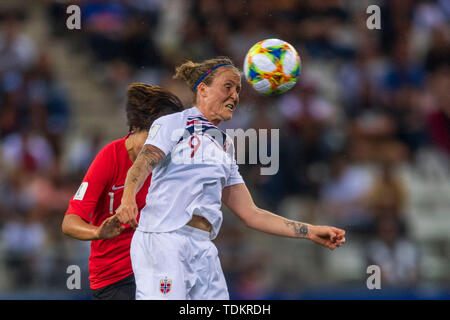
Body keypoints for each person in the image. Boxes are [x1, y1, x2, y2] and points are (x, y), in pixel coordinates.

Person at [115, 57, 346, 300]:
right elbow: (141, 165)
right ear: (203, 89)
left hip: (203, 248)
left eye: (237, 90)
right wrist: (128, 197)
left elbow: (251, 213)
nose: (235, 96)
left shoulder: (224, 145)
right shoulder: (173, 123)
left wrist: (309, 231)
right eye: (228, 87)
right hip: (164, 240)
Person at [62, 83, 184, 300]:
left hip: (157, 270)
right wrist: (98, 232)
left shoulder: (167, 162)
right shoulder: (108, 158)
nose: (154, 150)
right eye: (151, 140)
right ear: (135, 127)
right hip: (116, 277)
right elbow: (69, 222)